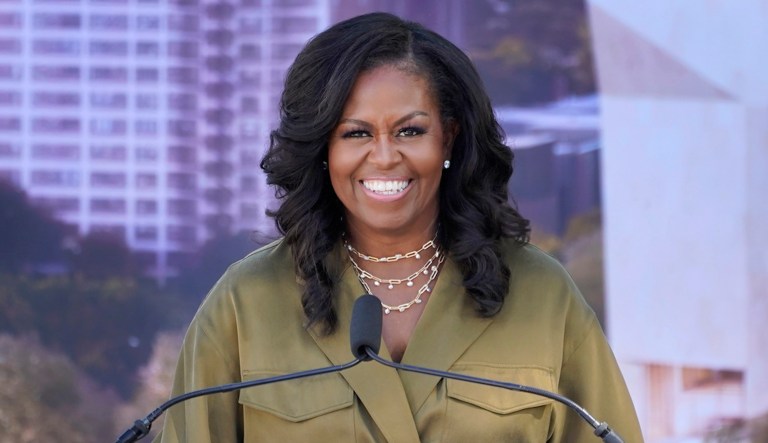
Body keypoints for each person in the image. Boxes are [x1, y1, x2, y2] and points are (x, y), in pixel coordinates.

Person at [155, 12, 643, 442]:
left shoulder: (541, 294)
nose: (385, 156)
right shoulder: (245, 301)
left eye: (410, 131)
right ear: (322, 149)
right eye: (356, 133)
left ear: (448, 139)